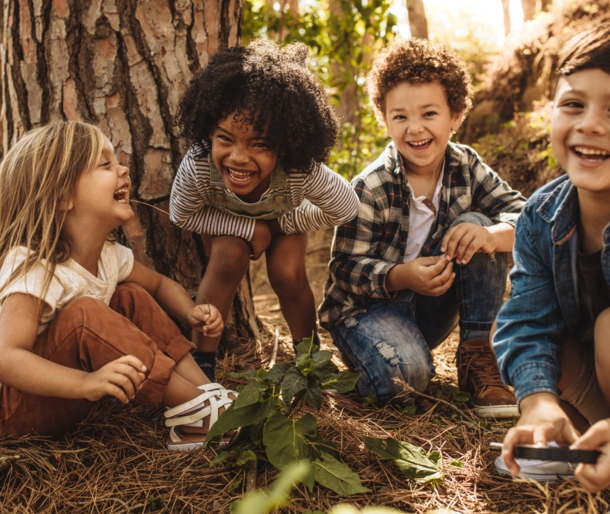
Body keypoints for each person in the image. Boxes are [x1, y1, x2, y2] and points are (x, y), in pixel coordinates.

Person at [319, 39, 526, 417]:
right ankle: (383, 362)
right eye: (400, 117)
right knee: (406, 380)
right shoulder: (371, 186)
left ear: (456, 115)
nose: (415, 129)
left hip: (430, 308)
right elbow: (344, 268)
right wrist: (400, 276)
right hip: (367, 314)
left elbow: (526, 216)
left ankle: (477, 354)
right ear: (384, 120)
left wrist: (492, 235)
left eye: (429, 113)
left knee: (477, 226)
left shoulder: (466, 165)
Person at [0, 121, 235, 451]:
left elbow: (157, 285)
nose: (123, 169)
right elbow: (6, 358)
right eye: (105, 164)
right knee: (85, 313)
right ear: (62, 196)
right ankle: (202, 412)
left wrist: (190, 310)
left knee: (132, 295)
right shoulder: (35, 265)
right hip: (15, 413)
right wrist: (86, 382)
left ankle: (205, 395)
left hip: (67, 397)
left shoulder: (110, 256)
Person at [170, 39, 360, 380]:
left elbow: (345, 207)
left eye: (259, 144)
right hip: (225, 223)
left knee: (287, 274)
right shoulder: (199, 163)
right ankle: (201, 370)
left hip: (284, 220)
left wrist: (283, 223)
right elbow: (181, 215)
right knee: (228, 257)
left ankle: (309, 362)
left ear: (286, 145)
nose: (239, 157)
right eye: (225, 138)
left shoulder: (300, 170)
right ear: (209, 131)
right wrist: (248, 229)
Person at [494, 24, 610, 491]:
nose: (592, 125)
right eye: (574, 104)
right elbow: (526, 321)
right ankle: (584, 445)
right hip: (594, 384)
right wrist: (538, 402)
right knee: (547, 344)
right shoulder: (541, 215)